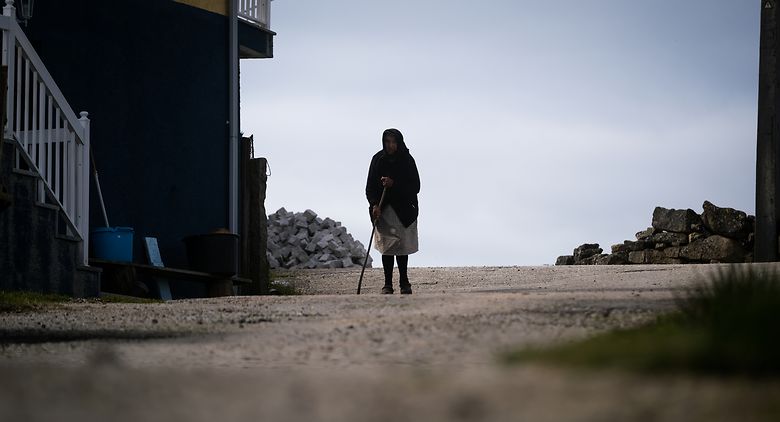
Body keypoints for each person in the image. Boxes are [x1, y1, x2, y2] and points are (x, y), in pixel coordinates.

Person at [365, 128, 420, 294]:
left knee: (402, 248)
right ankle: (387, 284)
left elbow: (415, 187)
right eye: (388, 142)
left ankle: (404, 282)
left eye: (393, 142)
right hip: (384, 211)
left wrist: (393, 184)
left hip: (404, 211)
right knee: (387, 247)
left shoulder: (407, 160)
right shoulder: (378, 160)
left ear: (399, 142)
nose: (390, 145)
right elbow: (370, 188)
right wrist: (374, 204)